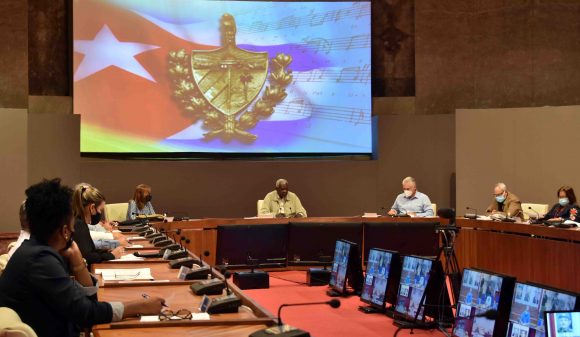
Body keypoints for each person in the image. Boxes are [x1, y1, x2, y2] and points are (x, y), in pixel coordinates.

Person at [0, 178, 164, 337]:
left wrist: (78, 262)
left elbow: (87, 301)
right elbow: (86, 313)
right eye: (72, 226)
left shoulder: (35, 250)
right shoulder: (40, 260)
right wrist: (139, 306)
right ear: (65, 231)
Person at [72, 183, 124, 265]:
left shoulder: (78, 222)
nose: (100, 213)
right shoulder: (79, 224)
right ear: (92, 207)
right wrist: (111, 255)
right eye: (100, 210)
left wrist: (104, 251)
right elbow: (88, 257)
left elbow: (88, 250)